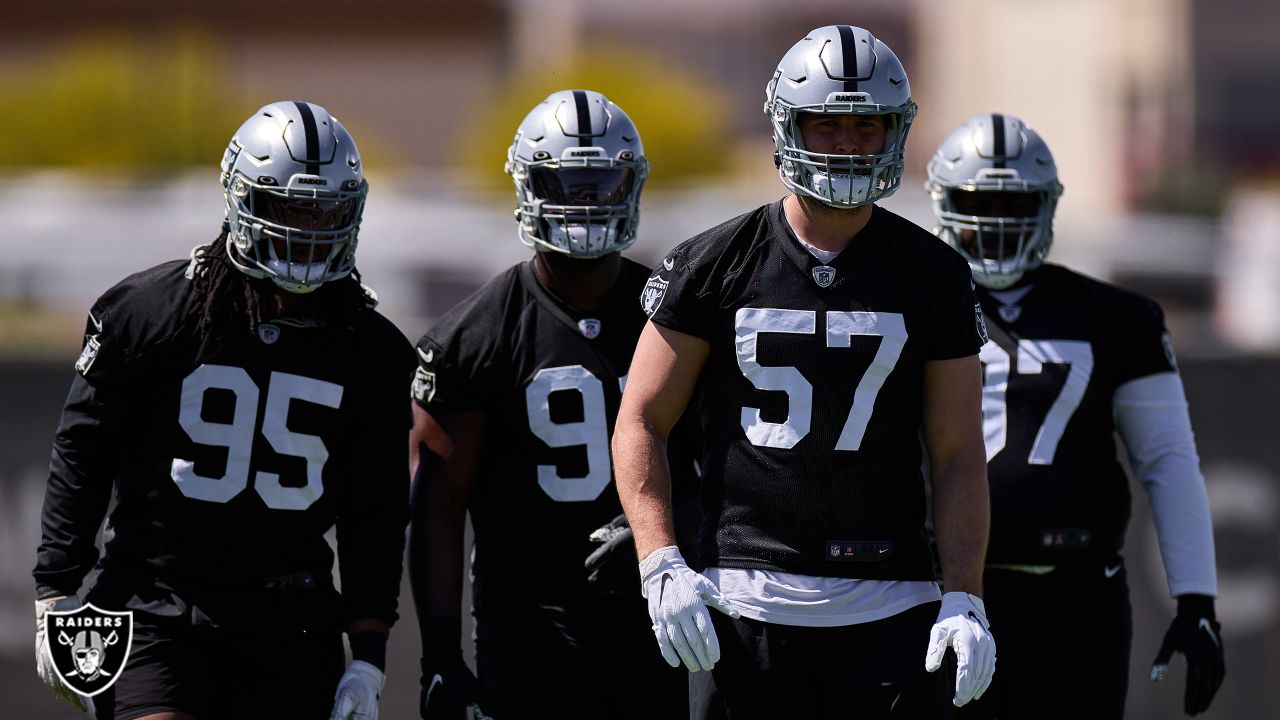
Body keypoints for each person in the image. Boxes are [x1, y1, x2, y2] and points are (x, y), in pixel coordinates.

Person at [612, 25, 996, 719]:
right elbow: (642, 419)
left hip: (890, 603)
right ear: (789, 125)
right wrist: (660, 562)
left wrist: (965, 595)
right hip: (744, 605)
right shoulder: (713, 262)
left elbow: (960, 452)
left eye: (865, 124)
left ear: (895, 131)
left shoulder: (934, 274)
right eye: (827, 124)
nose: (849, 143)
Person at [32, 100, 412, 720]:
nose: (308, 228)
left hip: (290, 617)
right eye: (290, 208)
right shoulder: (151, 314)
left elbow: (376, 513)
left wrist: (368, 656)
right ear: (240, 201)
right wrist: (55, 587)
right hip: (155, 605)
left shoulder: (370, 348)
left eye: (325, 211)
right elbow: (83, 448)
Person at [926, 113, 1225, 719]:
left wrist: (1197, 601)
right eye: (978, 203)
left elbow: (1168, 461)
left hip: (1075, 594)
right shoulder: (911, 305)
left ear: (1048, 206)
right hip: (941, 592)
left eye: (1016, 204)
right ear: (943, 202)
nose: (997, 224)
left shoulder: (1118, 317)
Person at [410, 89, 695, 720]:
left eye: (602, 183)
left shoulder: (676, 315)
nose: (585, 205)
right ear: (527, 187)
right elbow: (438, 504)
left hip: (661, 615)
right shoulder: (475, 335)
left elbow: (728, 464)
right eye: (566, 184)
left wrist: (673, 534)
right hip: (535, 630)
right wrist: (440, 659)